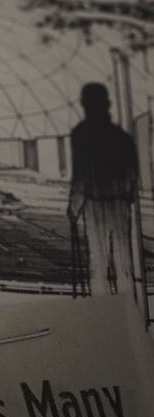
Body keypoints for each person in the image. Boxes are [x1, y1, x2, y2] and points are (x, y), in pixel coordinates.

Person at [68, 82, 140, 301]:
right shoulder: (122, 137)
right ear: (107, 104)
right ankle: (128, 309)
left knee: (98, 262)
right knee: (123, 261)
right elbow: (132, 176)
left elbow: (80, 175)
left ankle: (102, 312)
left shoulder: (81, 134)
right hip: (119, 205)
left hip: (95, 204)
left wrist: (74, 207)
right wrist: (127, 197)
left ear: (86, 105)